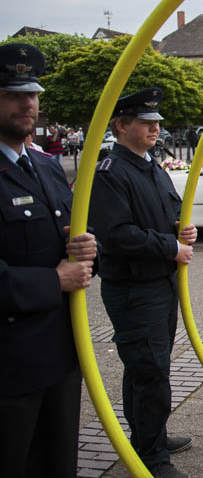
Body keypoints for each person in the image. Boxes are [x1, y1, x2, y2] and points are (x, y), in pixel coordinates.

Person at [89, 87, 197, 478]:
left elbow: (163, 214)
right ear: (121, 125)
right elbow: (117, 234)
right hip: (133, 288)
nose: (155, 128)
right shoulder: (110, 172)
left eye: (156, 122)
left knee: (148, 367)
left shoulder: (152, 167)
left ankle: (149, 436)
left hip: (158, 283)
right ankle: (152, 458)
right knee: (149, 370)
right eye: (146, 122)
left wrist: (180, 230)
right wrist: (170, 246)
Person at [0, 43, 97, 478]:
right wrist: (53, 281)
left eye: (33, 94)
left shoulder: (47, 167)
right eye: (12, 94)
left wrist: (87, 249)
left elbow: (65, 240)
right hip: (10, 365)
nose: (28, 104)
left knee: (58, 463)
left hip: (60, 354)